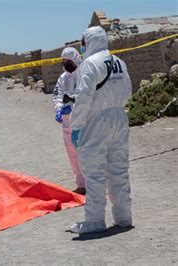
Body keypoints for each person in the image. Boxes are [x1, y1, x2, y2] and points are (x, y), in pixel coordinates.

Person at [69, 26, 133, 234]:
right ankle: (124, 217)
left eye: (83, 41)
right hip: (119, 118)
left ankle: (95, 220)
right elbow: (129, 89)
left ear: (89, 41)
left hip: (96, 120)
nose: (82, 46)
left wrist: (76, 126)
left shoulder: (90, 64)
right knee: (119, 169)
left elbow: (83, 99)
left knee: (94, 173)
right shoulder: (119, 63)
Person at [52, 47, 86, 195]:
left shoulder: (85, 74)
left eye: (67, 61)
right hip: (68, 124)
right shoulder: (63, 78)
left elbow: (87, 96)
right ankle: (81, 184)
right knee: (73, 154)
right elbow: (57, 95)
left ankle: (94, 183)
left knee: (86, 152)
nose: (65, 64)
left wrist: (72, 106)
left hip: (84, 121)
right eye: (63, 61)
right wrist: (59, 108)